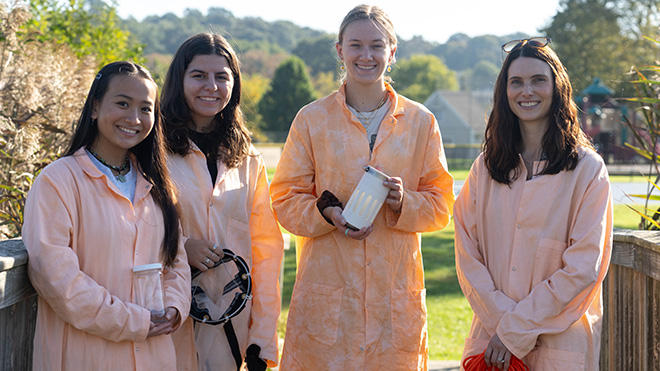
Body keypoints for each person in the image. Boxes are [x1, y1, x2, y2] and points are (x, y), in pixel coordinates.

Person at [268, 5, 455, 370]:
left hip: (393, 304)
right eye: (355, 45)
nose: (366, 55)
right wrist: (328, 214)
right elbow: (284, 198)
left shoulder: (421, 122)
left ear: (392, 51)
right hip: (327, 298)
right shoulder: (312, 119)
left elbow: (442, 204)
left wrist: (405, 203)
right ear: (340, 50)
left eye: (376, 45)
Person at [454, 37, 613, 370]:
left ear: (557, 87)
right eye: (516, 82)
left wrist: (513, 330)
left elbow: (583, 268)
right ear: (504, 91)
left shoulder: (588, 170)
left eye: (538, 80)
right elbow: (468, 257)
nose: (527, 90)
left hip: (560, 345)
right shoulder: (485, 169)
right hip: (491, 344)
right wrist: (503, 327)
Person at [22, 61, 191, 370]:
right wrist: (133, 321)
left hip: (156, 356)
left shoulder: (158, 187)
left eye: (145, 109)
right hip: (84, 357)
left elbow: (176, 261)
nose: (134, 118)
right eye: (123, 103)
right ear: (96, 107)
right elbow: (56, 279)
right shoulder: (57, 181)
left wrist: (175, 307)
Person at [161, 32, 284, 371]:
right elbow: (127, 224)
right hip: (164, 317)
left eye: (221, 77)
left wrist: (264, 336)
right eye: (199, 75)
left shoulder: (248, 158)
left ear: (234, 84)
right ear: (179, 80)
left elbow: (267, 251)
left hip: (231, 320)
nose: (211, 86)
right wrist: (180, 248)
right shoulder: (151, 148)